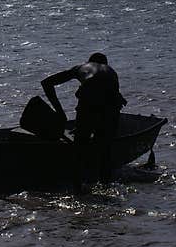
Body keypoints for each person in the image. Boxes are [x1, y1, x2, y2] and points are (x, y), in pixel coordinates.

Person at [41, 52, 128, 186]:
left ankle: (78, 187)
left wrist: (60, 112)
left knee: (80, 147)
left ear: (89, 62)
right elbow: (109, 95)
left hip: (91, 99)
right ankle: (106, 185)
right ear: (105, 64)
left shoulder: (81, 68)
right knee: (105, 148)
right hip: (109, 104)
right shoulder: (110, 71)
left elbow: (47, 83)